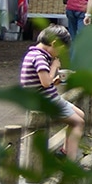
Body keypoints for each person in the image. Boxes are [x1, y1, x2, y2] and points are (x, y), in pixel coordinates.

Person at [21, 26, 83, 159]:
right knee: (78, 122)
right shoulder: (39, 57)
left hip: (46, 96)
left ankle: (64, 152)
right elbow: (45, 83)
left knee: (80, 115)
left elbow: (44, 81)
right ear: (54, 43)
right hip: (44, 100)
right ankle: (71, 161)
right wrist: (54, 67)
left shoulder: (34, 53)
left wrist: (54, 80)